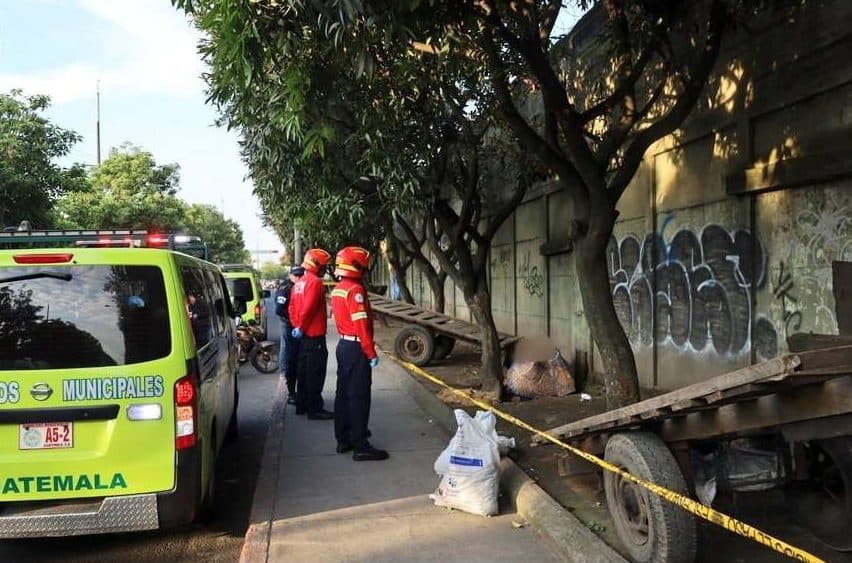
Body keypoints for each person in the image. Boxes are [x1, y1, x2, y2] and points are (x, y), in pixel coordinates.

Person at [330, 246, 389, 461]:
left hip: (344, 346)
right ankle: (361, 445)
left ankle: (343, 439)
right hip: (356, 348)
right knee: (359, 396)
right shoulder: (355, 290)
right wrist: (370, 352)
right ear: (357, 266)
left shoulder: (338, 288)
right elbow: (362, 325)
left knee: (343, 394)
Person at [289, 248, 334, 420]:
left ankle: (302, 405)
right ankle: (315, 409)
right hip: (314, 336)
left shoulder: (299, 283)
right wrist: (301, 326)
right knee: (315, 373)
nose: (325, 269)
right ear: (317, 264)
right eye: (323, 266)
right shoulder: (315, 282)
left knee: (303, 372)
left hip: (302, 337)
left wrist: (296, 327)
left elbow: (292, 307)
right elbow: (308, 308)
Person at [275, 265, 304, 405]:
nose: (299, 278)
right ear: (291, 275)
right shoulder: (285, 288)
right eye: (296, 275)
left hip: (297, 323)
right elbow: (279, 309)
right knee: (288, 351)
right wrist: (293, 320)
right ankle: (286, 373)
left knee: (295, 353)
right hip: (288, 322)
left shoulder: (300, 286)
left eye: (301, 275)